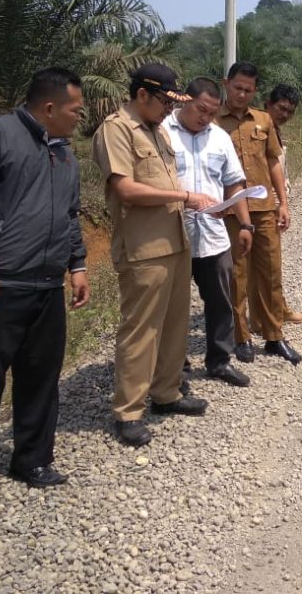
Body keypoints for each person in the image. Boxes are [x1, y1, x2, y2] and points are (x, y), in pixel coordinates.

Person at [0, 67, 90, 510]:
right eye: (75, 110)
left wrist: (77, 264)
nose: (79, 117)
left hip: (46, 285)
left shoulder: (64, 154)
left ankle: (33, 459)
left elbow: (70, 214)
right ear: (49, 107)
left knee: (41, 378)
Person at [91, 63, 214, 449]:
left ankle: (166, 393)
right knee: (141, 329)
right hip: (144, 248)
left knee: (175, 324)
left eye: (172, 103)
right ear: (141, 94)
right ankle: (128, 411)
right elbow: (126, 189)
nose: (168, 110)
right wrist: (184, 196)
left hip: (175, 241)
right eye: (164, 101)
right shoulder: (116, 129)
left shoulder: (158, 130)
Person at [163, 77, 253, 388]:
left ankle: (219, 361)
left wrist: (245, 224)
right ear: (184, 101)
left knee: (220, 300)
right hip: (173, 235)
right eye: (201, 110)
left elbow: (234, 183)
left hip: (213, 235)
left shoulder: (219, 138)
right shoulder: (162, 132)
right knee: (172, 307)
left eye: (212, 113)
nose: (206, 118)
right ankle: (175, 368)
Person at [217, 62, 301, 365]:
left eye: (248, 90)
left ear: (255, 92)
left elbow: (274, 162)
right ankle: (241, 337)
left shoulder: (263, 120)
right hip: (230, 212)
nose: (242, 94)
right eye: (237, 88)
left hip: (264, 210)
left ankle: (274, 335)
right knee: (237, 276)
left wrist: (283, 204)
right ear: (226, 84)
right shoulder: (212, 122)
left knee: (271, 273)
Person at [250, 83, 302, 328]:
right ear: (268, 104)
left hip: (273, 206)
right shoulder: (255, 131)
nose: (284, 114)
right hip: (257, 206)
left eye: (289, 111)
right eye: (281, 108)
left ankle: (270, 312)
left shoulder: (274, 131)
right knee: (264, 266)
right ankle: (267, 315)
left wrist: (283, 203)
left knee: (268, 265)